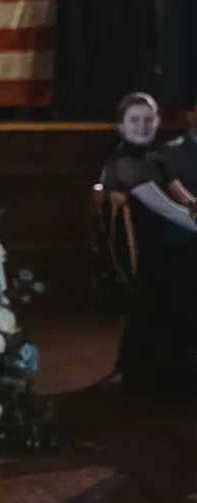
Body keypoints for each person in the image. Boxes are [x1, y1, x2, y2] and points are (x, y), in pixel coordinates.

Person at [100, 91, 197, 391]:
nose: (142, 126)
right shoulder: (127, 162)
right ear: (121, 125)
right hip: (146, 256)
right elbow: (168, 209)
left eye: (148, 119)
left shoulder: (153, 157)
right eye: (135, 120)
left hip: (163, 247)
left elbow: (184, 198)